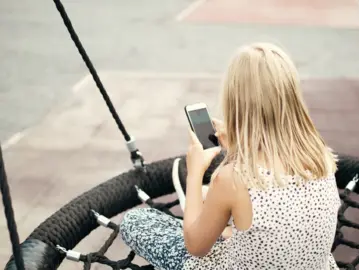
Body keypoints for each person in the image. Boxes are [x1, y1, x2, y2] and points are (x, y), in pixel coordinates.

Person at [119, 42, 341, 269]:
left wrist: (194, 173)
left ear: (235, 105)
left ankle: (218, 223)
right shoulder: (321, 157)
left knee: (137, 221)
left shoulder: (232, 179)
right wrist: (239, 145)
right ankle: (226, 227)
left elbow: (195, 247)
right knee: (219, 201)